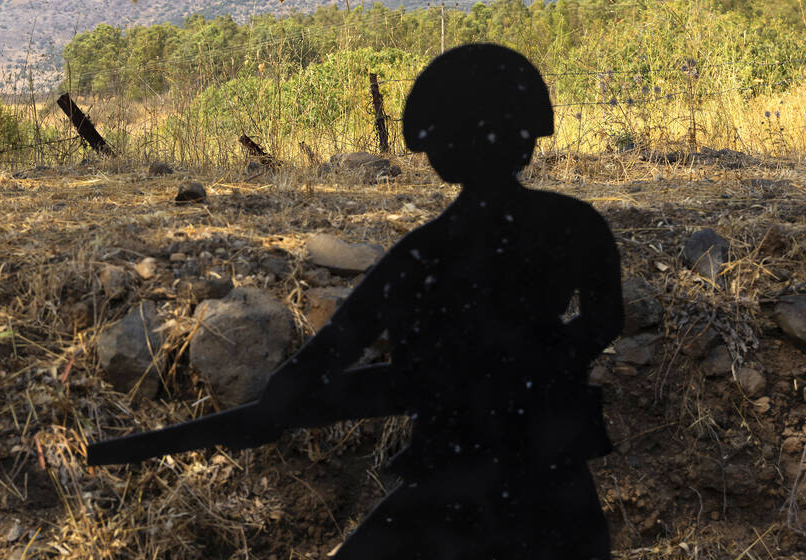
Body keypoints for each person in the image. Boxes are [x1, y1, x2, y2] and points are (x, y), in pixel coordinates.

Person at [261, 43, 623, 559]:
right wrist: (538, 365)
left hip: (455, 483)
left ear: (439, 152)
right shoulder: (576, 225)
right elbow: (604, 321)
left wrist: (279, 400)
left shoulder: (423, 254)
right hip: (554, 478)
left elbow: (336, 345)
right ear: (528, 139)